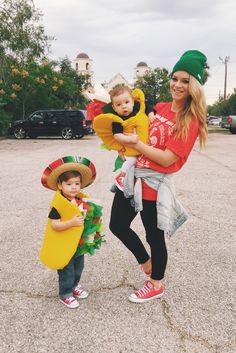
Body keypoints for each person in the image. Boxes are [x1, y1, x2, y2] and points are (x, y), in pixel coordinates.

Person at [109, 50, 208, 303]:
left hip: (154, 184)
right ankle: (146, 261)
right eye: (175, 78)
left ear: (194, 85)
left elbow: (166, 158)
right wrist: (126, 146)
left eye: (185, 81)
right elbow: (138, 132)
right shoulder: (160, 108)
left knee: (154, 237)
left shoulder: (191, 119)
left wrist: (137, 146)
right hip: (133, 179)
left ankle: (156, 284)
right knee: (117, 225)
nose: (177, 85)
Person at [40, 156, 103, 309]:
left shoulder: (81, 200)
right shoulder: (58, 206)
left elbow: (88, 218)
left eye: (77, 183)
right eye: (69, 184)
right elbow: (54, 225)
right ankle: (65, 293)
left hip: (78, 243)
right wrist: (71, 223)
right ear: (60, 186)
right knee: (66, 269)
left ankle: (75, 285)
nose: (74, 187)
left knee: (78, 266)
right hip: (64, 244)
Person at [93, 85, 152, 190]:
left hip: (146, 146)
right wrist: (130, 139)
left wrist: (151, 115)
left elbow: (147, 106)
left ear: (133, 102)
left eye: (127, 102)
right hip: (131, 149)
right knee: (131, 161)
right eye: (119, 105)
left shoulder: (138, 108)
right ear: (114, 108)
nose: (123, 106)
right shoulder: (117, 120)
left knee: (141, 169)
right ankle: (121, 177)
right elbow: (117, 136)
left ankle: (125, 185)